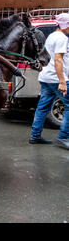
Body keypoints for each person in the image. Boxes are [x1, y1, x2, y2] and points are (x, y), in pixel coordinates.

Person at [29, 13, 69, 150]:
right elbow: (58, 60)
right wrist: (62, 81)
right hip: (56, 78)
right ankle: (63, 137)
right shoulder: (62, 38)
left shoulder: (52, 36)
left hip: (46, 76)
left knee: (42, 107)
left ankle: (35, 136)